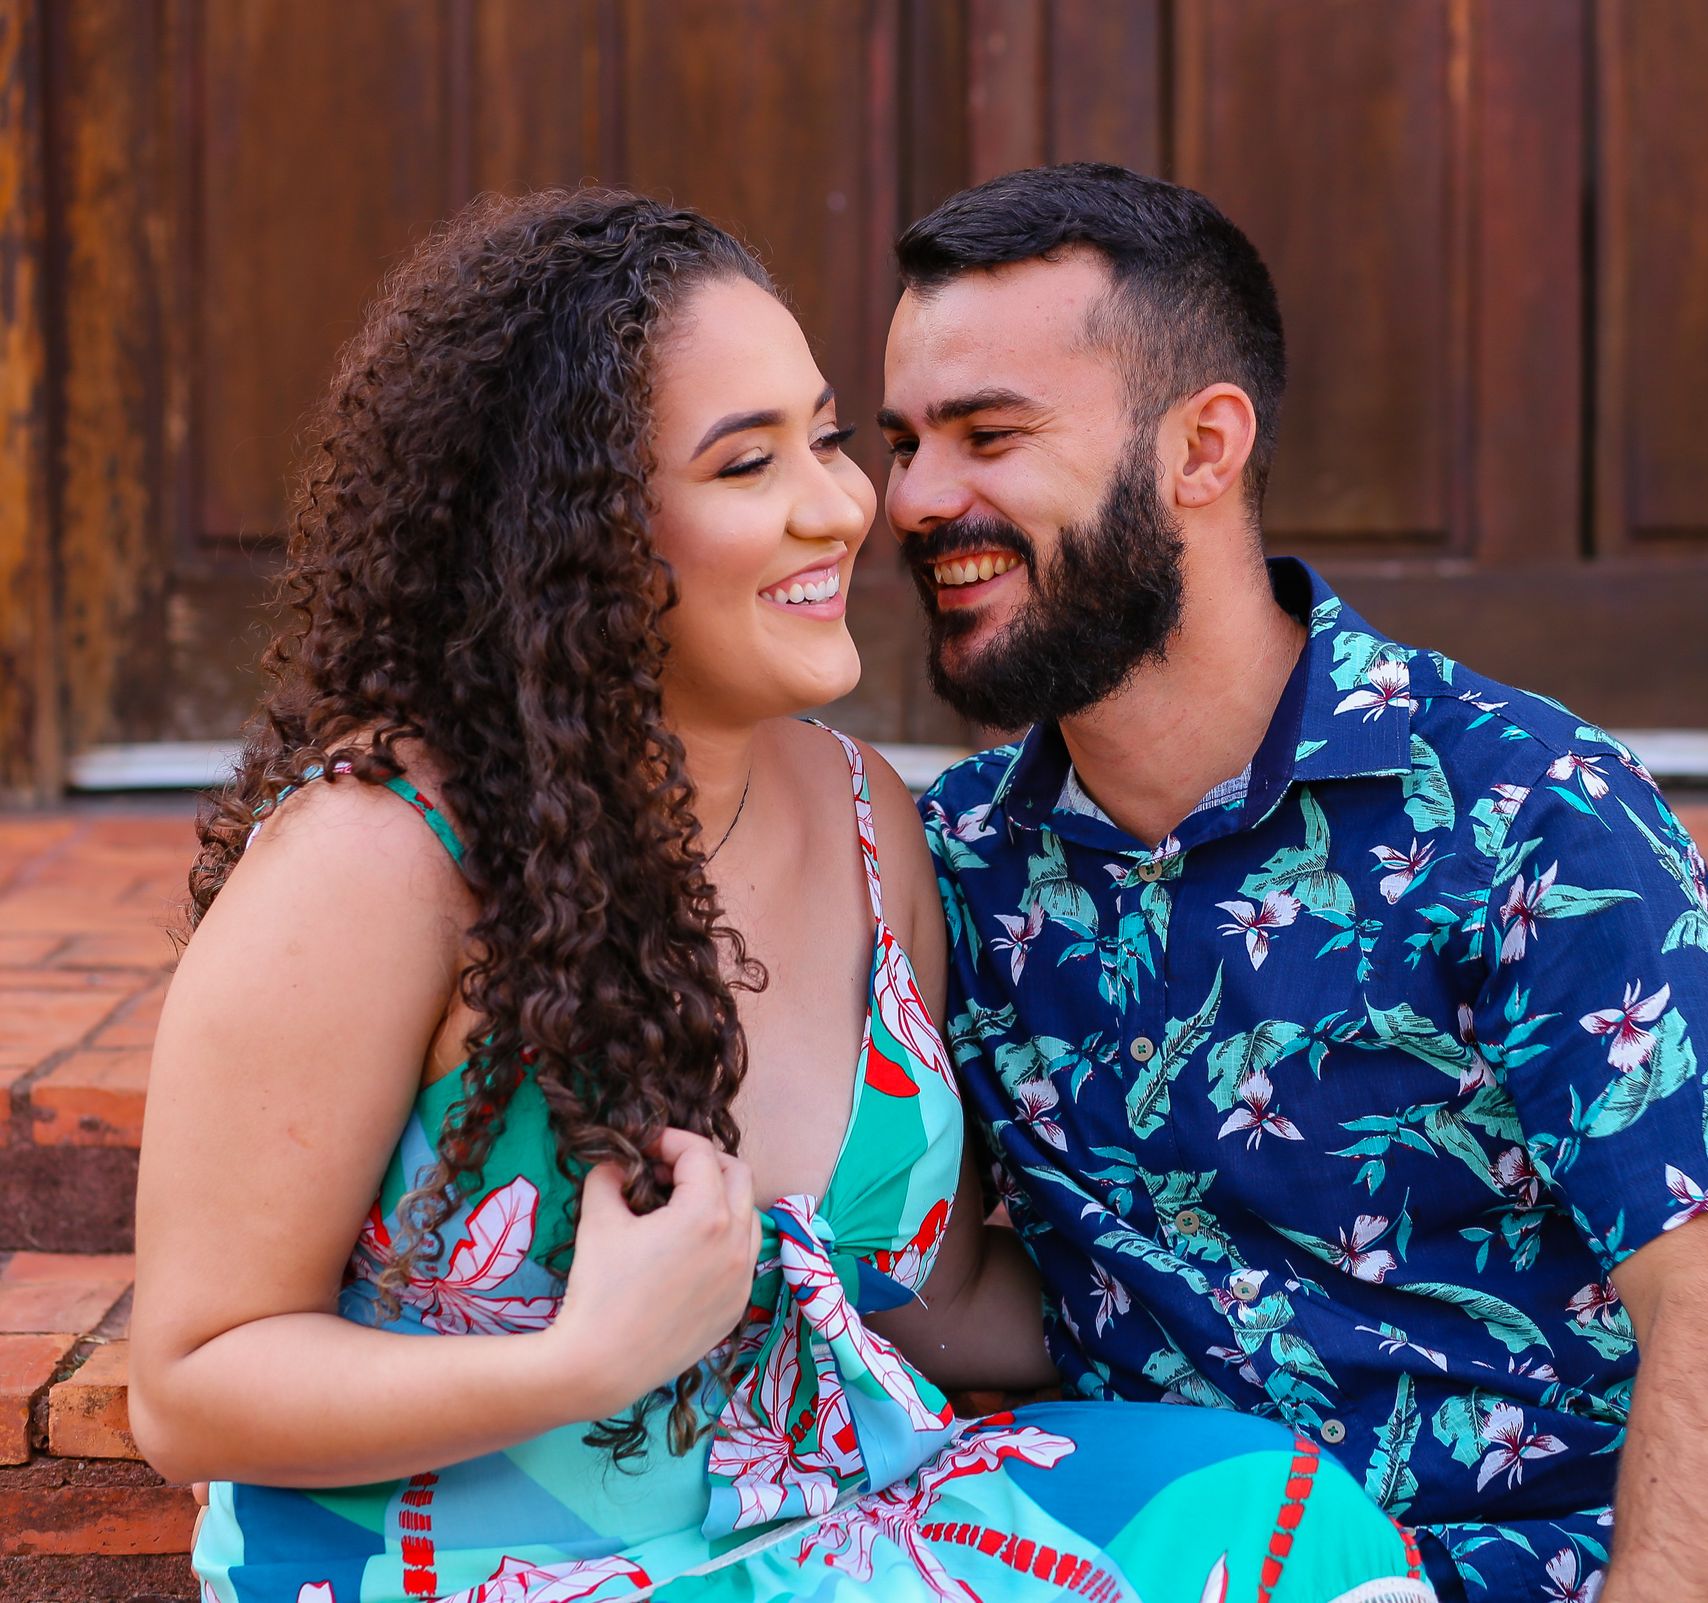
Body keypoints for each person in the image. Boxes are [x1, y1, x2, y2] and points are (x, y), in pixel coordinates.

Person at [129, 187, 1435, 1603]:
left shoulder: (870, 819)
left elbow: (920, 1302)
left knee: (1288, 1522)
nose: (846, 508)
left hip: (824, 1525)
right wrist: (586, 1363)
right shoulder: (379, 856)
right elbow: (192, 1383)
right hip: (483, 1568)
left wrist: (1328, 1317)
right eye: (748, 466)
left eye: (824, 438)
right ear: (573, 531)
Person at [894, 163, 1708, 1603]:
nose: (916, 498)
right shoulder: (968, 859)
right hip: (1234, 1561)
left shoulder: (1526, 810)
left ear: (1201, 449)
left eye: (988, 434)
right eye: (903, 441)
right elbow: (976, 1301)